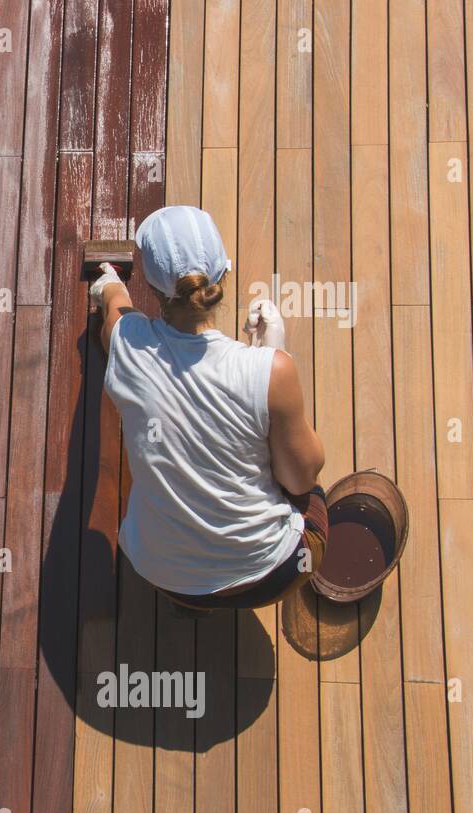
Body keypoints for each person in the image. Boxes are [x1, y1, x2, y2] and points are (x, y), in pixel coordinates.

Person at [89, 205, 327, 611]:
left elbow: (113, 304)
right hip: (273, 573)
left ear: (155, 288)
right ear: (223, 276)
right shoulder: (271, 369)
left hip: (166, 578)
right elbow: (300, 479)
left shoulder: (126, 343)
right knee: (314, 488)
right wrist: (274, 350)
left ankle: (196, 604)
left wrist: (109, 281)